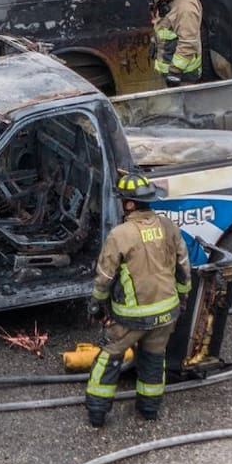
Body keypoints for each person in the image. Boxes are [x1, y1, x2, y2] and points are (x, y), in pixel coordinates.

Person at [85, 172, 192, 426]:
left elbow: (104, 277)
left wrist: (96, 305)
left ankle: (97, 413)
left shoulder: (120, 235)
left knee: (109, 357)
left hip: (131, 318)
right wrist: (183, 297)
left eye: (122, 200)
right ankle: (149, 410)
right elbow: (183, 267)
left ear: (130, 204)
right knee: (154, 360)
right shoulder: (168, 227)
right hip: (167, 312)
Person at [145, 0, 203, 85]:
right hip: (167, 64)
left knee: (183, 104)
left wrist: (174, 73)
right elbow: (162, 26)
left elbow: (188, 43)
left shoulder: (186, 8)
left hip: (184, 74)